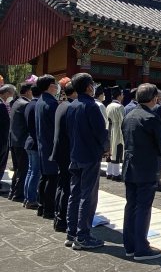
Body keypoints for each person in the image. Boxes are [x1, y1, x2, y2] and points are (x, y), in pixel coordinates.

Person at [122, 83, 161, 261]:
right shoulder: (151, 117)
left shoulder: (130, 115)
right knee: (143, 207)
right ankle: (142, 247)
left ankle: (130, 245)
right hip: (147, 167)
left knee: (131, 206)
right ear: (153, 98)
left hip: (130, 165)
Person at [66, 73, 109, 250]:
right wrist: (106, 148)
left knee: (74, 193)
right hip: (90, 155)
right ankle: (83, 235)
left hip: (75, 153)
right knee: (88, 195)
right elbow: (101, 132)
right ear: (89, 87)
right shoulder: (91, 106)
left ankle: (71, 232)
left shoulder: (71, 105)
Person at [50, 82, 76, 232]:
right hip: (68, 152)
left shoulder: (62, 105)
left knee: (62, 184)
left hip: (60, 151)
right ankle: (63, 219)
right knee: (67, 187)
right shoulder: (72, 107)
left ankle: (58, 216)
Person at [35, 75, 60, 220]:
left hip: (42, 144)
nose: (56, 87)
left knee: (44, 177)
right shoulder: (51, 104)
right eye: (55, 84)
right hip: (51, 146)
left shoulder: (40, 101)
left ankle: (41, 205)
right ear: (50, 86)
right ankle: (49, 210)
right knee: (52, 179)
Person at [8, 83, 32, 201]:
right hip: (22, 141)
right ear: (28, 91)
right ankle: (18, 194)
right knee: (23, 170)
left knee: (18, 169)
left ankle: (13, 192)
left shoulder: (17, 102)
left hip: (14, 140)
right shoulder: (25, 104)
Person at [23, 85, 41, 209]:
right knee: (35, 172)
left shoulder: (29, 104)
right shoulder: (36, 105)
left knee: (30, 171)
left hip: (29, 141)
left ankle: (27, 198)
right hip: (35, 142)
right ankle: (31, 199)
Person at [106, 86, 125, 181]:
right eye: (122, 94)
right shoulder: (120, 107)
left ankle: (109, 172)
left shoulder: (108, 105)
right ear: (119, 96)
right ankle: (116, 174)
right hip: (117, 129)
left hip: (109, 129)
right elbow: (123, 121)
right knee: (117, 150)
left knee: (110, 150)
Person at [0, 84, 16, 194]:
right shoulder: (1, 105)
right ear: (6, 93)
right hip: (2, 139)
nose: (13, 96)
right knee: (1, 161)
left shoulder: (5, 104)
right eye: (12, 93)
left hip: (4, 138)